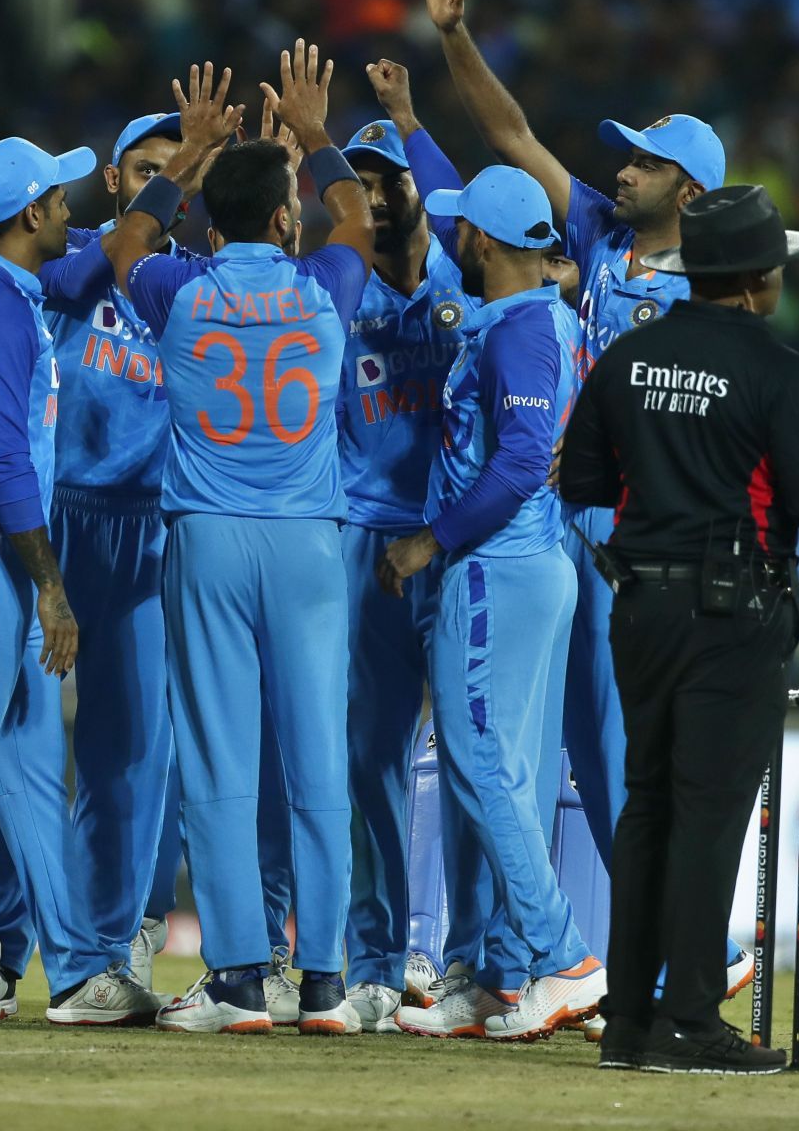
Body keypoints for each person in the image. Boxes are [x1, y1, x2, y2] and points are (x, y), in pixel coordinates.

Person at [417, 0, 754, 1004]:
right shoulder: (601, 238)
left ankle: (700, 946)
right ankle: (532, 958)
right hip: (565, 523)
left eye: (646, 162)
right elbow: (511, 132)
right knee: (552, 749)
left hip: (637, 540)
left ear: (690, 193)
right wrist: (457, 37)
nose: (622, 168)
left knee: (621, 761)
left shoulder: (718, 288)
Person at [103, 44, 374, 1035]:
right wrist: (313, 132)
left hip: (210, 535)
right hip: (307, 539)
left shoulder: (179, 288)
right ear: (286, 217)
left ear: (211, 222)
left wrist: (189, 158)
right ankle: (328, 981)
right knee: (316, 758)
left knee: (219, 758)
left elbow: (123, 249)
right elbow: (356, 219)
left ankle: (235, 981)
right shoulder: (325, 285)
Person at [558, 184, 799, 1074]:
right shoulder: (779, 370)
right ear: (762, 279)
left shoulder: (631, 357)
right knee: (709, 816)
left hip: (639, 607)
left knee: (647, 807)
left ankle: (631, 1023)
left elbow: (583, 482)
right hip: (733, 614)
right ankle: (688, 1018)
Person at [0, 133, 156, 1026]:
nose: (68, 207)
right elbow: (6, 459)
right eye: (56, 197)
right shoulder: (2, 309)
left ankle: (84, 970)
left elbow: (103, 266)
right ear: (27, 216)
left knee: (21, 767)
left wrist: (182, 172)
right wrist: (49, 585)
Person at [376, 166, 605, 1043]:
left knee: (478, 764)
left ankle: (564, 959)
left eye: (463, 228)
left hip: (495, 568)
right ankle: (497, 975)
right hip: (530, 564)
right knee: (505, 774)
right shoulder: (540, 316)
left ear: (486, 241)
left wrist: (429, 540)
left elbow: (516, 464)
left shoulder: (520, 333)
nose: (453, 238)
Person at [333, 62, 476, 1033]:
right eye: (364, 184)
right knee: (371, 755)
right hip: (364, 541)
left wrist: (410, 122)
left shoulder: (470, 278)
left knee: (472, 755)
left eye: (393, 180)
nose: (381, 198)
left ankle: (470, 962)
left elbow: (473, 203)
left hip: (457, 542)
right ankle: (379, 961)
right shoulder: (332, 295)